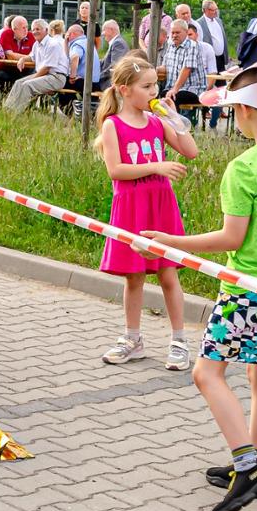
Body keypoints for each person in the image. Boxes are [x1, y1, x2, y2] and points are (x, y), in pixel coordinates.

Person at [143, 64, 257, 511]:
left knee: (206, 374)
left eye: (233, 110)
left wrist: (171, 242)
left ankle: (246, 466)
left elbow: (231, 239)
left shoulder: (244, 167)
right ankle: (256, 460)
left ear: (243, 110)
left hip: (246, 289)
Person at [96, 55, 201, 370]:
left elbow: (191, 151)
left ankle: (179, 341)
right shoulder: (112, 125)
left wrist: (174, 119)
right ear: (124, 90)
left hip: (160, 206)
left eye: (156, 84)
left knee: (168, 273)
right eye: (147, 86)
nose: (154, 91)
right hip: (132, 206)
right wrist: (156, 165)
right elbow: (116, 170)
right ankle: (133, 339)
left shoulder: (157, 122)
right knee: (134, 277)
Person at [4, 19, 70, 112]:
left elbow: (47, 68)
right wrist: (22, 59)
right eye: (33, 29)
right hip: (45, 75)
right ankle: (7, 110)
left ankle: (15, 113)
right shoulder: (36, 44)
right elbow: (31, 57)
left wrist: (33, 77)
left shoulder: (53, 44)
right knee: (18, 83)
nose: (35, 32)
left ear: (46, 30)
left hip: (56, 77)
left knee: (27, 85)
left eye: (38, 29)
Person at [161, 19, 206, 114]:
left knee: (174, 98)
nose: (174, 35)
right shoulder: (170, 47)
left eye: (177, 32)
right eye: (172, 33)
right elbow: (164, 68)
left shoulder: (192, 46)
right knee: (155, 96)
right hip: (172, 89)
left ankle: (176, 127)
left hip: (193, 90)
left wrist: (174, 89)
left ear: (186, 32)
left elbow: (187, 69)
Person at [0, 15, 35, 93]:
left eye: (27, 27)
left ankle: (28, 104)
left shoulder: (31, 36)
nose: (26, 30)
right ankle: (5, 103)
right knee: (3, 78)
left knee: (32, 79)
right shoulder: (6, 34)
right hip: (7, 69)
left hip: (25, 69)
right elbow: (10, 55)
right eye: (23, 28)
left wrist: (27, 58)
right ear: (14, 29)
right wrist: (28, 58)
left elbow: (35, 55)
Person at [197, 0, 227, 72]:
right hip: (209, 60)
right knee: (210, 81)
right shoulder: (199, 23)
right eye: (212, 10)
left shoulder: (219, 21)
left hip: (221, 58)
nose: (215, 12)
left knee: (221, 82)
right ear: (205, 10)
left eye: (216, 9)